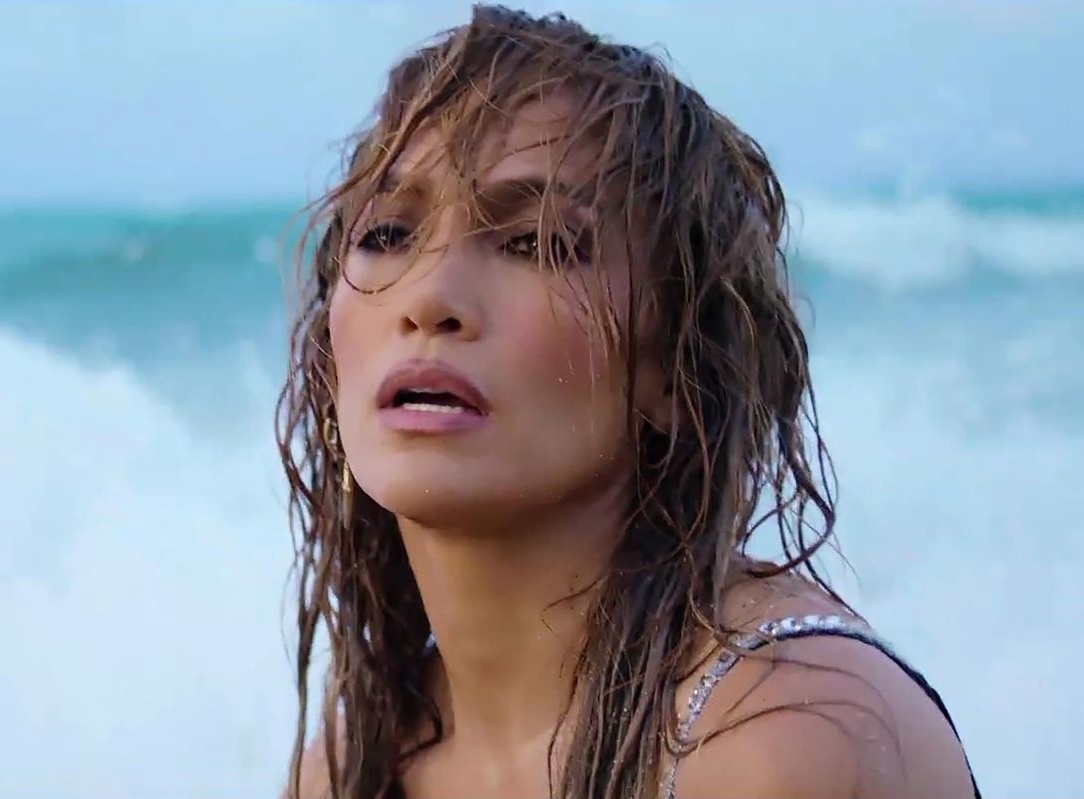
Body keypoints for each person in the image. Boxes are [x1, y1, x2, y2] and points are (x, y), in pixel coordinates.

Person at [274, 6, 979, 798]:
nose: (428, 298)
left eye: (537, 242)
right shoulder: (349, 771)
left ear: (674, 368)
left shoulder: (782, 735)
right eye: (387, 234)